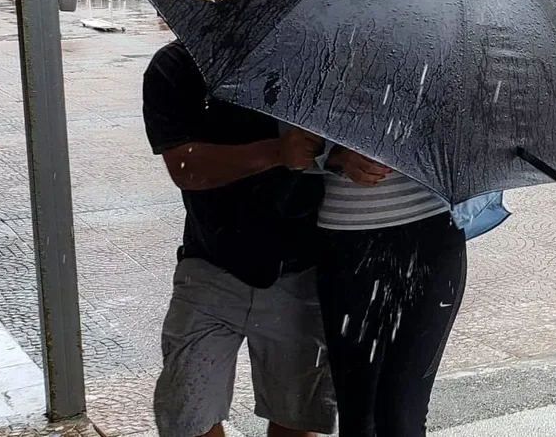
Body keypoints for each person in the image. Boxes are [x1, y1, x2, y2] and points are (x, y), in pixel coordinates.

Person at [144, 40, 336, 437]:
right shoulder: (178, 64)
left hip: (302, 269)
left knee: (297, 416)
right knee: (185, 417)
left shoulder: (314, 62)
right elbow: (185, 167)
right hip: (209, 266)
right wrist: (276, 152)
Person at [314, 143, 467, 437]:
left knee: (400, 417)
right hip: (346, 244)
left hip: (430, 238)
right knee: (358, 419)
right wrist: (335, 157)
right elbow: (291, 141)